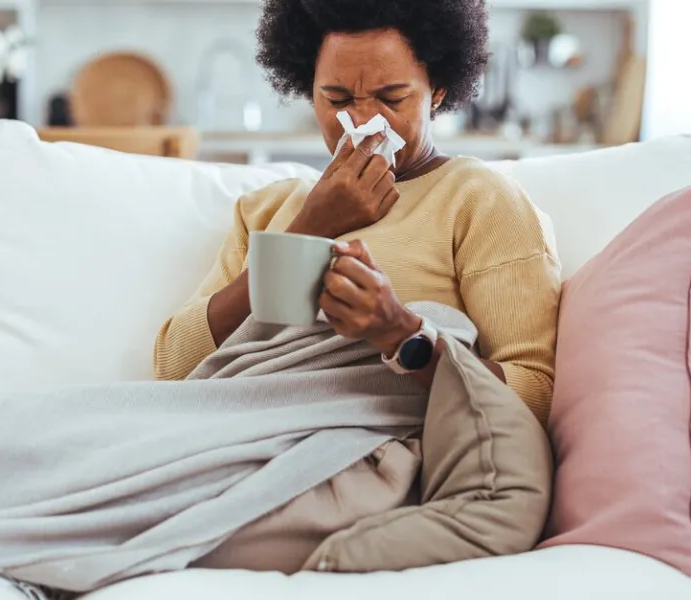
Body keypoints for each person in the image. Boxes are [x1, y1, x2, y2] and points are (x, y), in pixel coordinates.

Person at [154, 0, 560, 425]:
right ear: (308, 90)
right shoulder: (266, 210)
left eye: (392, 98)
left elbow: (534, 395)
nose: (364, 120)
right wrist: (310, 227)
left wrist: (401, 334)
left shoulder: (478, 198)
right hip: (239, 430)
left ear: (436, 89)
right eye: (337, 98)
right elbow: (173, 367)